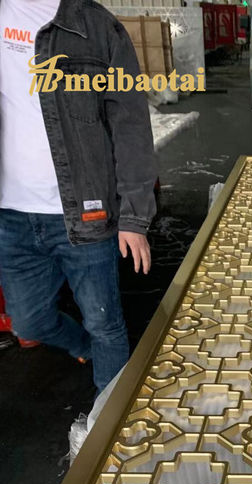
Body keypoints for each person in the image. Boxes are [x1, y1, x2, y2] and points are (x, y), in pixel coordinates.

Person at [0, 0, 157, 392]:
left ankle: (110, 419)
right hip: (11, 217)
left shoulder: (97, 27)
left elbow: (131, 125)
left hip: (86, 211)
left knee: (105, 323)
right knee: (28, 321)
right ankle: (84, 347)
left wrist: (134, 217)